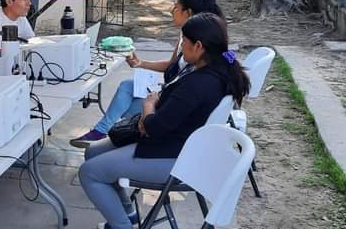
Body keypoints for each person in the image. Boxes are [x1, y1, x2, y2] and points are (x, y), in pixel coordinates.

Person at [79, 12, 250, 229]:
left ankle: (121, 226)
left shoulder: (198, 84)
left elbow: (153, 128)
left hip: (172, 156)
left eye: (184, 42)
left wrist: (148, 106)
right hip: (180, 143)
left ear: (198, 46)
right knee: (92, 152)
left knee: (89, 172)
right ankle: (128, 213)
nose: (180, 48)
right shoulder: (222, 64)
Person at [70, 0, 224, 148]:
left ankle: (107, 133)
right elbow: (173, 65)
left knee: (125, 110)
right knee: (126, 88)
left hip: (169, 117)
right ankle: (104, 132)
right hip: (168, 99)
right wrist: (141, 64)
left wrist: (150, 106)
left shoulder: (201, 63)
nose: (171, 10)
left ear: (188, 12)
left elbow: (161, 123)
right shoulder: (191, 38)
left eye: (176, 7)